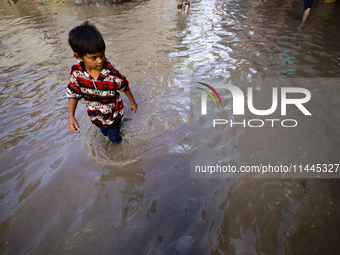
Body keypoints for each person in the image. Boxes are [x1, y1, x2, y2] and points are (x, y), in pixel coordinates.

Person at [66, 21, 138, 144]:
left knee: (114, 138)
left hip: (113, 115)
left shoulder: (111, 74)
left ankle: (117, 146)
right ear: (78, 57)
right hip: (95, 115)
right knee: (104, 132)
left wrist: (132, 102)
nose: (100, 61)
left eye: (102, 55)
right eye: (93, 58)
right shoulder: (77, 74)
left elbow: (124, 85)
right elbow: (74, 93)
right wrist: (71, 115)